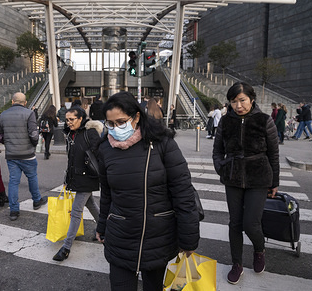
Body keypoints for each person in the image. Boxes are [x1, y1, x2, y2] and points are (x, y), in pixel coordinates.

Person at [96, 91, 200, 291]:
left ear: (136, 117)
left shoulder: (162, 143)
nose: (116, 128)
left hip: (157, 237)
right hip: (120, 236)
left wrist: (188, 238)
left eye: (121, 122)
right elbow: (107, 193)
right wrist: (102, 226)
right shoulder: (105, 149)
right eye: (110, 124)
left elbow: (183, 192)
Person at [212, 82, 279, 285]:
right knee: (235, 223)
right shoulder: (225, 122)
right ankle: (237, 264)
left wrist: (274, 181)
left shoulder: (265, 120)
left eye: (242, 100)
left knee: (251, 223)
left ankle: (259, 250)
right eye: (234, 101)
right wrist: (221, 167)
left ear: (251, 99)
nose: (238, 105)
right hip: (232, 177)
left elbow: (273, 154)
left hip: (258, 177)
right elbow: (217, 151)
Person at [52, 106, 103, 261]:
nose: (68, 123)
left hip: (87, 178)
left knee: (76, 212)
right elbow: (71, 159)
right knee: (91, 204)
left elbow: (100, 154)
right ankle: (104, 229)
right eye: (66, 120)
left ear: (81, 119)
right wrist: (67, 179)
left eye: (72, 119)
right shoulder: (71, 134)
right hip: (77, 177)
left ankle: (66, 248)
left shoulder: (90, 133)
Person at [0, 92, 48, 221]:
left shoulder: (3, 115)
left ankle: (14, 210)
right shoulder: (29, 113)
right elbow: (34, 134)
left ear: (12, 101)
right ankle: (37, 200)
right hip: (27, 154)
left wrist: (8, 143)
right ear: (25, 103)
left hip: (11, 154)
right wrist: (34, 144)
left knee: (14, 181)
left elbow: (1, 134)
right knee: (32, 177)